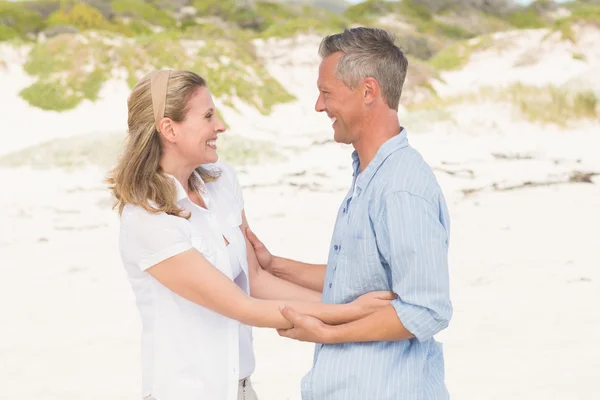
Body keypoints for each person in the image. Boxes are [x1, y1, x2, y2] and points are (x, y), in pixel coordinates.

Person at [106, 69, 394, 400]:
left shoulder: (222, 180)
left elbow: (254, 279)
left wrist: (347, 305)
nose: (220, 126)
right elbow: (242, 306)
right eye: (208, 116)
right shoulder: (146, 218)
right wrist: (356, 313)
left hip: (242, 390)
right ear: (169, 129)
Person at [246, 27, 453, 399]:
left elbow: (427, 308)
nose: (319, 106)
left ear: (368, 91)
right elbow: (359, 278)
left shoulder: (400, 187)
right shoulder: (370, 174)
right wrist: (276, 264)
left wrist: (328, 332)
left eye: (326, 93)